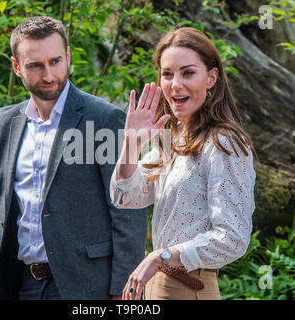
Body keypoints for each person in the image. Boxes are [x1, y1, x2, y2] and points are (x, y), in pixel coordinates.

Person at [0, 16, 148, 300]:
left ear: (68, 56)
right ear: (16, 67)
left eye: (56, 61)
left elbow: (127, 210)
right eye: (35, 65)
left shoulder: (103, 119)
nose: (48, 75)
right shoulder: (4, 122)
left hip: (84, 288)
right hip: (18, 283)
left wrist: (122, 291)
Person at [110, 27, 257, 300]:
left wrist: (160, 256)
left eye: (187, 73)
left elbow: (233, 238)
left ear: (211, 78)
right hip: (156, 286)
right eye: (167, 74)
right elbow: (124, 196)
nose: (175, 84)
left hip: (188, 287)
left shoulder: (225, 144)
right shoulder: (172, 139)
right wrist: (132, 144)